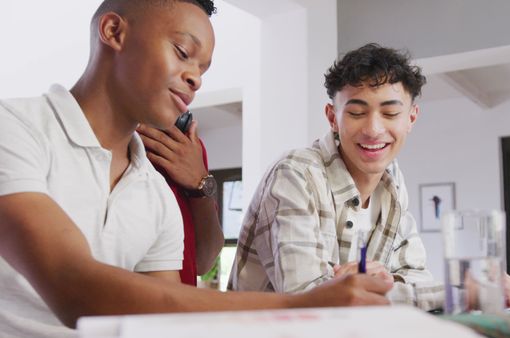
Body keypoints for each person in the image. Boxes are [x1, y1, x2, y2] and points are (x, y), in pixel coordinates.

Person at [0, 1, 391, 337]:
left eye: (203, 67)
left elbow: (164, 324)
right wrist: (299, 306)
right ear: (114, 30)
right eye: (183, 52)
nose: (196, 78)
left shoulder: (155, 192)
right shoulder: (14, 129)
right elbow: (74, 287)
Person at [230, 43, 510, 310]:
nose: (373, 129)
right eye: (356, 112)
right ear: (333, 118)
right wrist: (459, 291)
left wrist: (367, 284)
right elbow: (309, 297)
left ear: (411, 119)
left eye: (390, 113)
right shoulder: (296, 174)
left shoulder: (392, 183)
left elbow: (416, 276)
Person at [137, 120, 223, 285]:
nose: (195, 91)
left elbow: (203, 262)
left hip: (176, 305)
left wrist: (200, 184)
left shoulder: (187, 147)